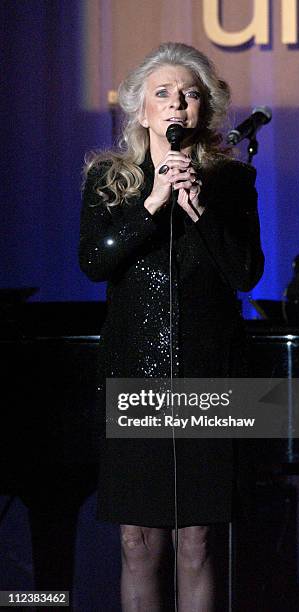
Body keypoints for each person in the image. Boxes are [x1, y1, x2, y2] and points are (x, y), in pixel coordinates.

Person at [79, 42, 264, 611]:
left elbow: (246, 273)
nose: (177, 103)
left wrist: (198, 208)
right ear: (140, 110)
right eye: (163, 93)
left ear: (203, 111)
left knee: (198, 540)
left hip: (208, 376)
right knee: (137, 540)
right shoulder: (110, 180)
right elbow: (94, 263)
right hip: (135, 375)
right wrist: (154, 200)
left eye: (189, 94)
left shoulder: (230, 183)